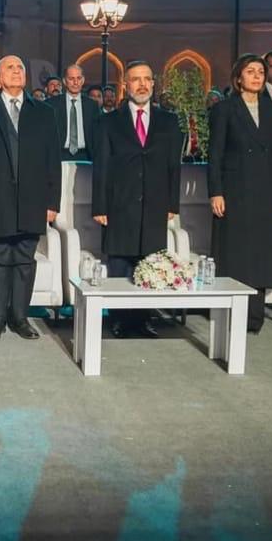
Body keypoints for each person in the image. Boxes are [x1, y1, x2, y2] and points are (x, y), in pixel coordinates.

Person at [0, 55, 61, 340]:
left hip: (33, 200)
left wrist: (52, 203)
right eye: (10, 67)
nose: (17, 71)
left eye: (20, 68)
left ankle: (20, 318)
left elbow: (53, 161)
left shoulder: (44, 112)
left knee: (25, 259)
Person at [92, 60, 182, 338]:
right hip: (119, 203)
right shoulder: (108, 122)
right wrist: (100, 206)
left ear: (153, 84)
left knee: (150, 262)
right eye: (135, 79)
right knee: (120, 262)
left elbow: (174, 166)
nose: (142, 84)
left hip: (155, 203)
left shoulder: (169, 121)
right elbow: (101, 167)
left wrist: (172, 204)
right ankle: (119, 319)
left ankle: (144, 319)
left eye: (146, 79)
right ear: (125, 85)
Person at [207, 55, 272, 333]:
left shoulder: (271, 109)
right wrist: (216, 192)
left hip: (267, 190)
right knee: (236, 252)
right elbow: (215, 155)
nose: (257, 76)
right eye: (250, 71)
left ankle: (255, 317)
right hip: (235, 190)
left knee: (261, 253)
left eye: (260, 72)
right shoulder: (224, 109)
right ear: (238, 77)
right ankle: (231, 313)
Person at [46, 63, 101, 161]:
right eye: (71, 79)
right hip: (59, 156)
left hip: (86, 156)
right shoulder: (52, 104)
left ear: (83, 80)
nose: (75, 82)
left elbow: (97, 135)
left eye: (79, 78)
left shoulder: (92, 105)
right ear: (64, 81)